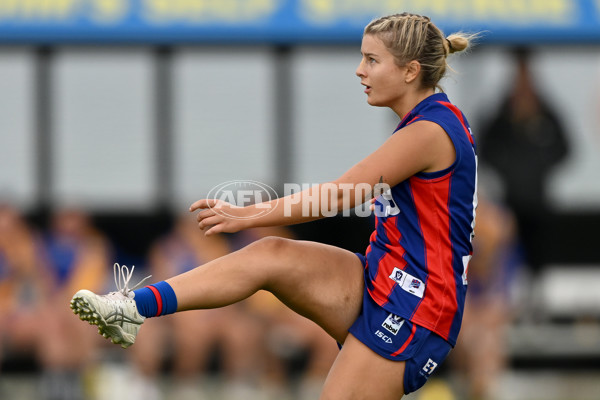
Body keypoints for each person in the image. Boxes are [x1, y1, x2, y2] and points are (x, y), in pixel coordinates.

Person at [71, 12, 478, 399]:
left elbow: (339, 195)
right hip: (383, 278)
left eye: (372, 60)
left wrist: (246, 214)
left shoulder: (429, 130)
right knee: (271, 253)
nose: (360, 70)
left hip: (416, 307)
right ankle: (131, 309)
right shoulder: (424, 123)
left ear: (409, 71)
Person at [478, 47, 569, 273]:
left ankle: (535, 295)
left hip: (539, 202)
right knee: (507, 255)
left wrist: (541, 166)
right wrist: (507, 169)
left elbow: (565, 148)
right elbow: (483, 147)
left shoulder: (544, 110)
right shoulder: (503, 112)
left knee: (539, 260)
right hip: (509, 200)